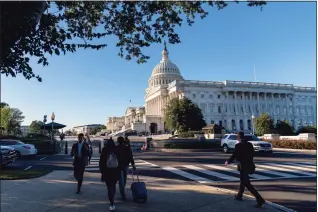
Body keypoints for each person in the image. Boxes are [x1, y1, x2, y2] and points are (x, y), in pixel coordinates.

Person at [224, 132, 265, 208]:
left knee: (247, 184)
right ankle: (239, 196)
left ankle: (260, 199)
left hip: (242, 166)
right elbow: (252, 154)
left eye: (237, 137)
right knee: (243, 181)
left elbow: (235, 155)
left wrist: (228, 161)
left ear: (238, 137)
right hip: (249, 166)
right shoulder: (249, 144)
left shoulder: (238, 145)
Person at [99, 138, 121, 211]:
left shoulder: (104, 149)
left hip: (106, 171)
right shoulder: (117, 149)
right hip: (115, 171)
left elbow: (101, 161)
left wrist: (102, 171)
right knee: (113, 185)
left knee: (109, 187)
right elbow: (120, 160)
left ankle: (111, 202)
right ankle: (112, 198)